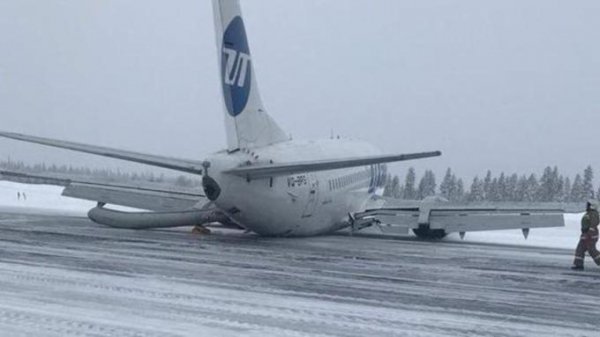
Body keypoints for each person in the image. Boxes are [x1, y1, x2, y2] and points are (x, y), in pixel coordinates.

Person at [572, 200, 600, 270]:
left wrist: (588, 234)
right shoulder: (589, 213)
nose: (586, 206)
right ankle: (578, 264)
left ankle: (578, 264)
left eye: (588, 205)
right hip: (586, 234)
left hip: (590, 235)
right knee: (580, 249)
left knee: (592, 250)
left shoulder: (593, 214)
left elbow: (593, 224)